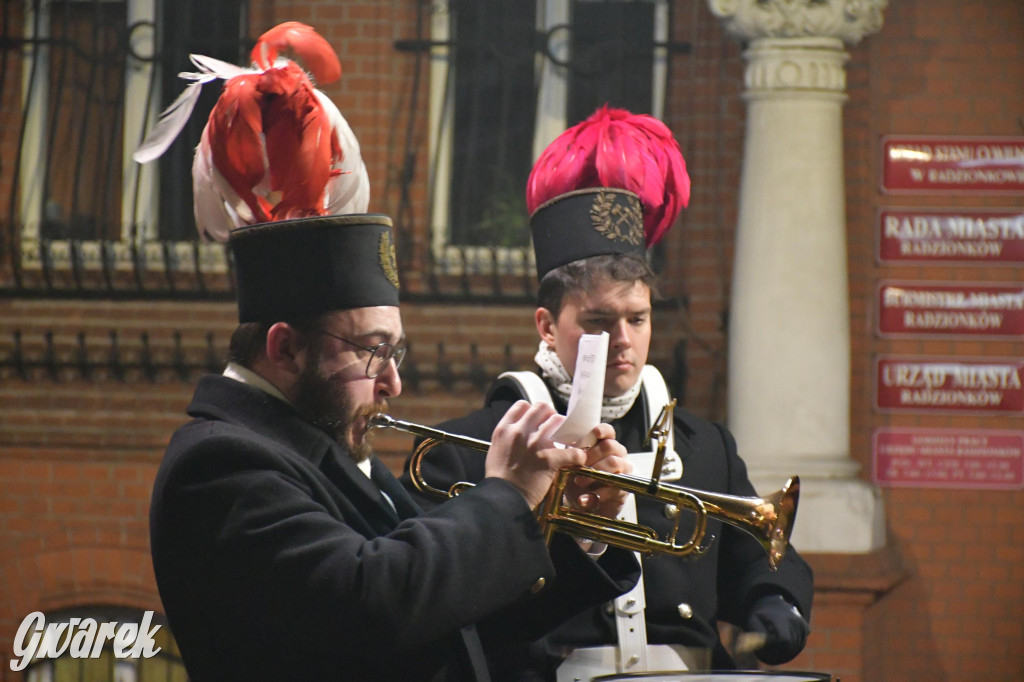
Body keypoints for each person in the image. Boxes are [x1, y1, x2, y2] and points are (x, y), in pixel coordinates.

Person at [146, 29, 641, 680]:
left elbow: (454, 626)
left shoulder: (334, 456)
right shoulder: (221, 464)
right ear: (286, 348)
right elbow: (376, 602)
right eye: (374, 353)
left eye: (396, 352)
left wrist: (571, 531)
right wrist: (507, 496)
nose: (394, 384)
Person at [400, 107, 814, 681]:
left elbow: (766, 561)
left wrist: (774, 603)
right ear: (546, 325)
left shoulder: (706, 447)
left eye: (637, 319)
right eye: (598, 321)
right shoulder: (466, 446)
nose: (622, 341)